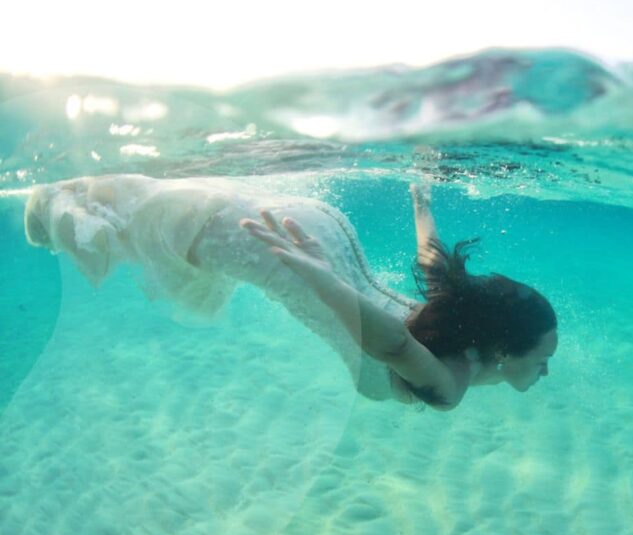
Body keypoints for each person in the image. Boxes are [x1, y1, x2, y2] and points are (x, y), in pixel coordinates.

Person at [23, 174, 557, 410]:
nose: (546, 370)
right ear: (507, 349)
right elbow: (392, 346)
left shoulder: (464, 324)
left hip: (326, 234)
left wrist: (420, 200)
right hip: (306, 261)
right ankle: (56, 206)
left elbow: (432, 261)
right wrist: (320, 278)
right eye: (542, 359)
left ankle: (83, 196)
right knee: (186, 236)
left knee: (197, 220)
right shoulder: (452, 385)